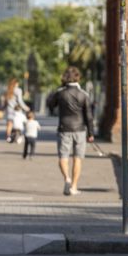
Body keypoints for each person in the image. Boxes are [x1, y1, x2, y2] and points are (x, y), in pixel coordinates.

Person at [47, 67, 95, 196]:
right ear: (78, 77)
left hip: (64, 129)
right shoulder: (84, 94)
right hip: (80, 129)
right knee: (77, 158)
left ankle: (66, 178)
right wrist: (91, 133)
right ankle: (74, 186)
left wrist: (58, 89)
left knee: (63, 157)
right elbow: (89, 116)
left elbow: (50, 105)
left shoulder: (60, 93)